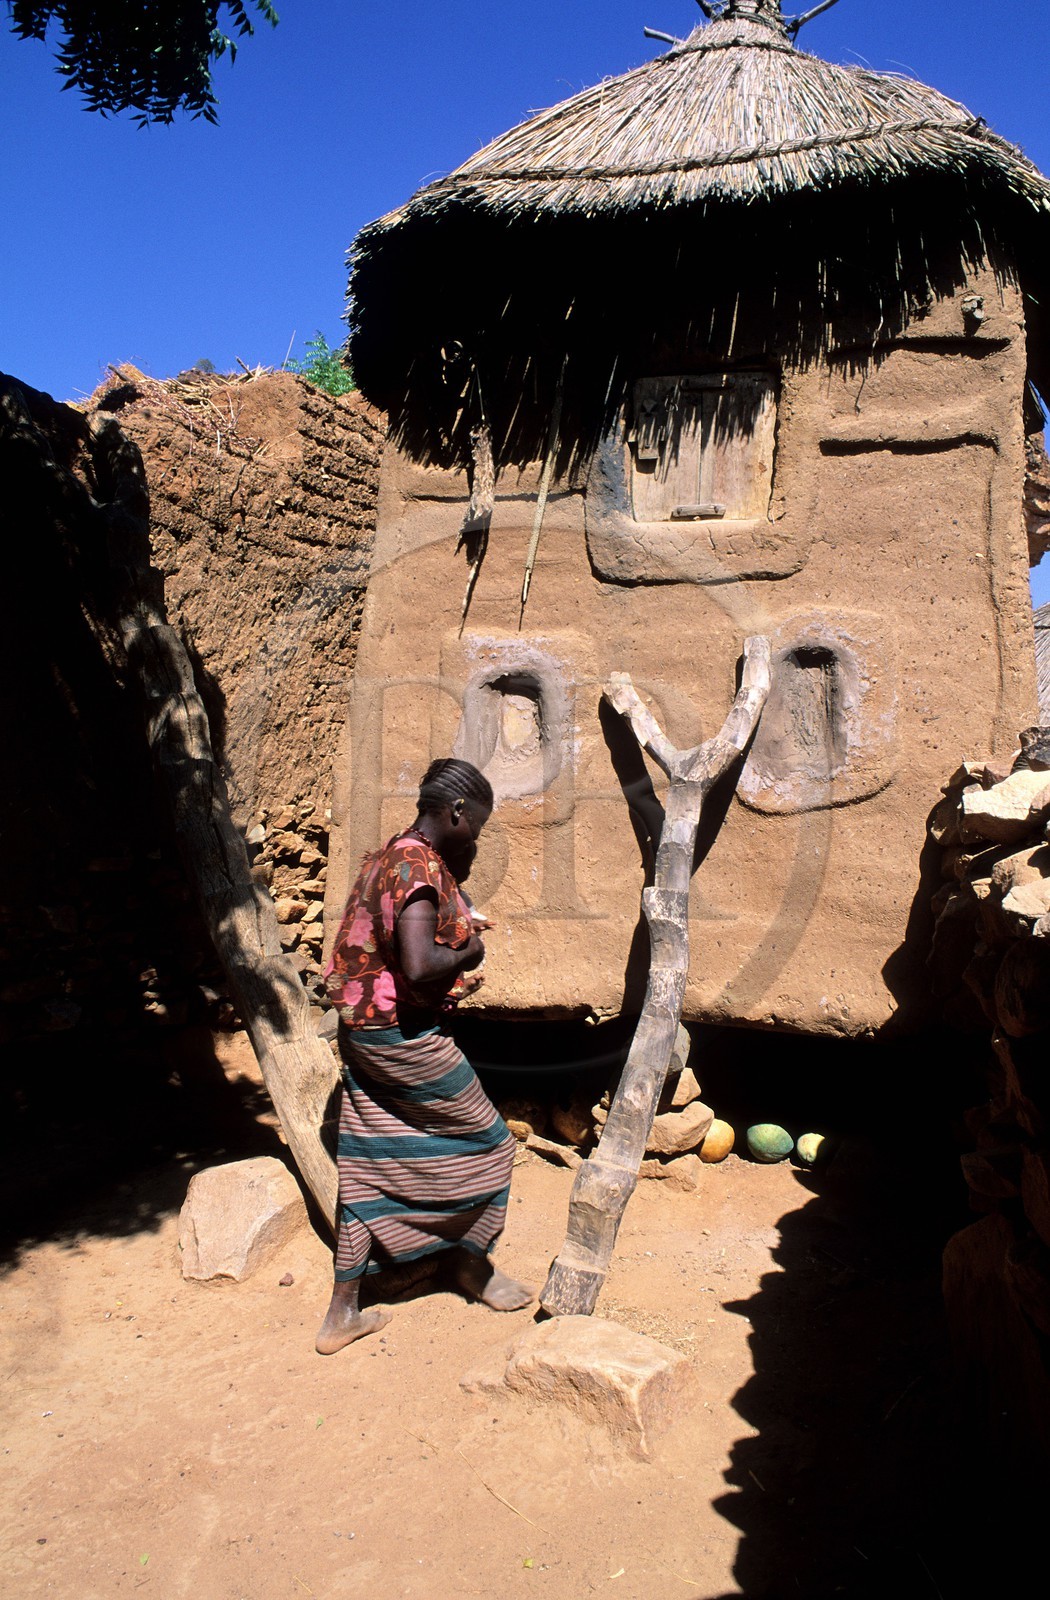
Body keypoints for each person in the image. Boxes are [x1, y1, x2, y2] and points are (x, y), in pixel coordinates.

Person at [316, 757, 533, 1354]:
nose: (477, 839)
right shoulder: (416, 865)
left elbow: (401, 935)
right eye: (477, 827)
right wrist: (470, 949)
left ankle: (343, 1313)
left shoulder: (393, 852)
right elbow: (416, 965)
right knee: (491, 1145)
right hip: (403, 1038)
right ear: (456, 811)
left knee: (367, 1166)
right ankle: (469, 1264)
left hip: (363, 1031)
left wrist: (454, 923)